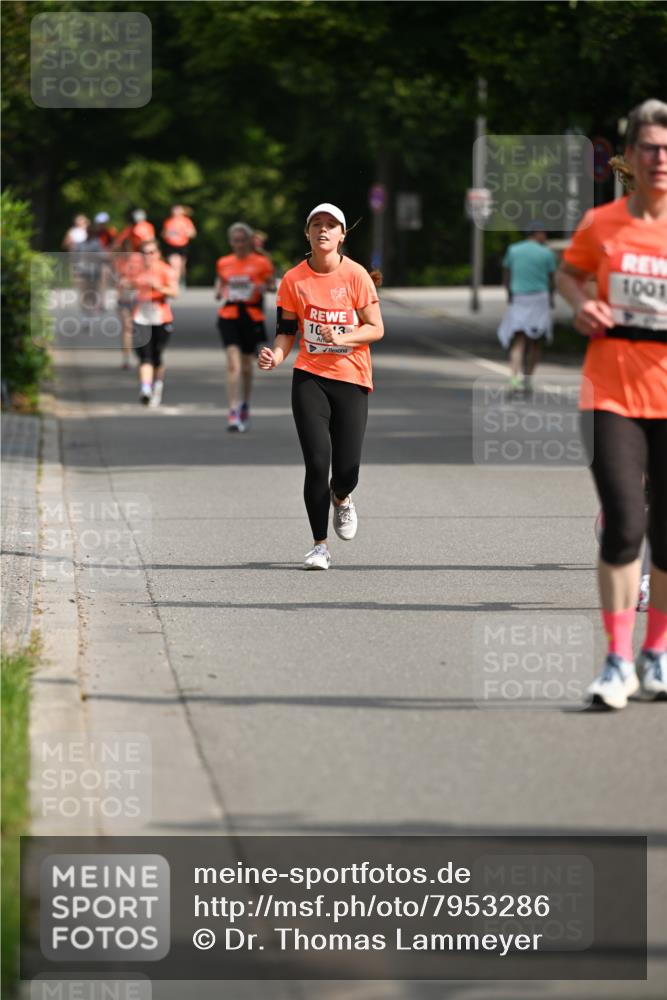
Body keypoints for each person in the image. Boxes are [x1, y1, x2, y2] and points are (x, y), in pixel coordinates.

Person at [556, 98, 667, 708]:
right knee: (625, 523)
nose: (660, 158)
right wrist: (582, 305)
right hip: (612, 393)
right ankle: (618, 660)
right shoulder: (601, 225)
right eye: (650, 147)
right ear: (631, 155)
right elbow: (569, 275)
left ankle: (657, 653)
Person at [258, 203, 384, 570]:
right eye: (317, 224)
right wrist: (275, 356)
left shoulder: (355, 275)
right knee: (316, 463)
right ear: (307, 233)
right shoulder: (293, 279)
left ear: (342, 234)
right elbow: (286, 332)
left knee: (347, 470)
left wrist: (343, 337)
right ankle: (319, 546)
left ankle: (341, 497)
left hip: (351, 377)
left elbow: (375, 328)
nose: (323, 230)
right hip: (309, 377)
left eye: (331, 225)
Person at [215, 222, 274, 431]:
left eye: (242, 240)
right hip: (229, 315)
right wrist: (220, 291)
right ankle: (232, 411)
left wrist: (262, 287)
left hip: (251, 316)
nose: (238, 244)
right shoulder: (224, 262)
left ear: (249, 241)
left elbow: (271, 285)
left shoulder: (261, 262)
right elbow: (219, 287)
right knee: (233, 364)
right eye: (235, 241)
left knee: (247, 366)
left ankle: (245, 405)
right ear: (230, 242)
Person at [497, 221, 556, 396]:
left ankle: (513, 378)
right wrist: (551, 298)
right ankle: (528, 378)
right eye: (544, 233)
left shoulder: (513, 250)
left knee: (519, 340)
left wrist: (509, 293)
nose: (545, 236)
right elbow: (551, 279)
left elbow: (507, 275)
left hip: (519, 298)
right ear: (537, 233)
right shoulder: (547, 253)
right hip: (539, 299)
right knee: (536, 341)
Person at [130, 239, 179, 407]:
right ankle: (145, 389)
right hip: (141, 316)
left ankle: (157, 386)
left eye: (151, 252)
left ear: (158, 254)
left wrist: (159, 287)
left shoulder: (165, 270)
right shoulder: (136, 270)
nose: (148, 256)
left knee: (157, 356)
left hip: (161, 317)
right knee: (145, 356)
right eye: (144, 253)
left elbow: (174, 292)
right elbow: (127, 286)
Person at [161, 205, 196, 284]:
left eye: (178, 210)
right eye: (174, 210)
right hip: (171, 246)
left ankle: (182, 280)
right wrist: (167, 234)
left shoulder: (186, 221)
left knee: (181, 265)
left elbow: (193, 233)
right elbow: (163, 234)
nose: (176, 212)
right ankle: (174, 282)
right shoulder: (168, 221)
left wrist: (186, 232)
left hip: (183, 245)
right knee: (174, 264)